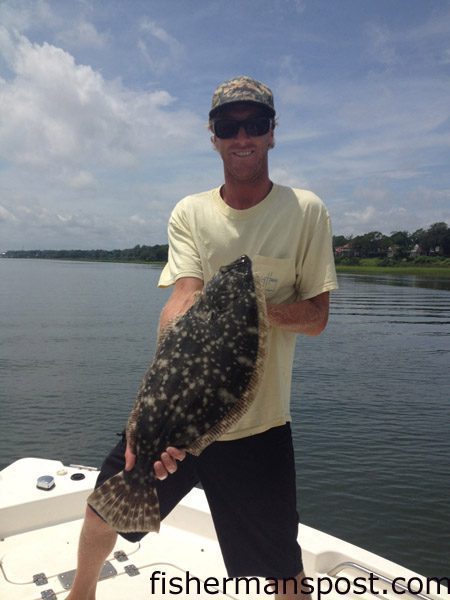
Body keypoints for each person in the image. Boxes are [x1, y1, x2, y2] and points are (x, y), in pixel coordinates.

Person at [66, 75, 338, 600]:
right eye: (228, 126)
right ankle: (82, 594)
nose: (242, 137)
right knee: (104, 504)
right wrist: (151, 411)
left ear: (272, 133)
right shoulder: (190, 212)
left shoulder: (306, 211)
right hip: (177, 416)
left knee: (283, 568)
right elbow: (183, 297)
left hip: (258, 431)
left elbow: (318, 316)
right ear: (212, 135)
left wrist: (251, 312)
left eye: (254, 124)